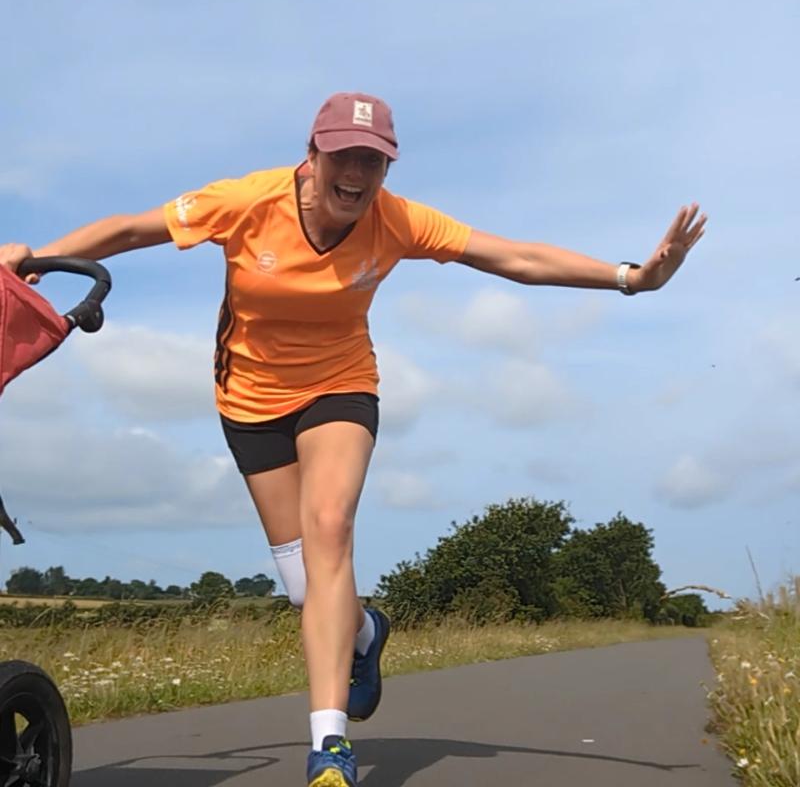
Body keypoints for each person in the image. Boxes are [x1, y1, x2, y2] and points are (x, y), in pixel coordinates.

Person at [0, 91, 706, 787]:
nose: (358, 174)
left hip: (340, 387)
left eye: (374, 161)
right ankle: (366, 632)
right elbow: (131, 230)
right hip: (249, 400)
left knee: (330, 529)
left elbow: (513, 257)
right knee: (306, 590)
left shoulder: (397, 220)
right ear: (311, 156)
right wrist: (32, 261)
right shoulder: (248, 201)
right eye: (344, 156)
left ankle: (329, 745)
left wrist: (632, 278)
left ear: (387, 169)